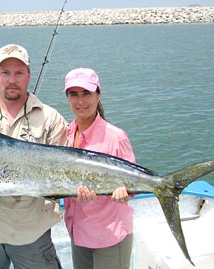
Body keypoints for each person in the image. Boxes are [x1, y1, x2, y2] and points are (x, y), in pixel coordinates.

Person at [0, 44, 68, 269]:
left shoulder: (52, 119)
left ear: (28, 75)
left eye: (19, 72)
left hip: (31, 234)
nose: (12, 80)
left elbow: (61, 176)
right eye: (5, 72)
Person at [62, 68, 136, 269]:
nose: (80, 101)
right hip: (78, 232)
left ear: (98, 94)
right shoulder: (66, 134)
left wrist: (126, 192)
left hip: (109, 236)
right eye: (74, 94)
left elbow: (133, 184)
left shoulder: (116, 136)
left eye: (86, 93)